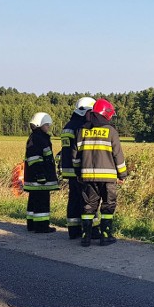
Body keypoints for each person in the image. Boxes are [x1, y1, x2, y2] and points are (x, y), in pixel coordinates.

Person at [76, 98, 127, 247]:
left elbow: (76, 155)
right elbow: (118, 155)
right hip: (108, 177)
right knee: (108, 205)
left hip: (87, 177)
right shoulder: (111, 131)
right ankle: (105, 236)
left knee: (88, 206)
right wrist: (122, 175)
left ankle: (85, 237)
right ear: (106, 114)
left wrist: (78, 173)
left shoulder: (82, 130)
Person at [60, 97, 96, 239]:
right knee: (86, 199)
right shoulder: (81, 127)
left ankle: (73, 231)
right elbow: (79, 150)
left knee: (73, 199)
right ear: (86, 112)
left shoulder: (68, 125)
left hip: (68, 170)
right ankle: (90, 230)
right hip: (78, 169)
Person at [24, 112, 59, 233]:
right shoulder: (39, 138)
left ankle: (32, 225)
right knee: (42, 202)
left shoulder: (35, 137)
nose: (48, 127)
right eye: (47, 125)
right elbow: (35, 159)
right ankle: (41, 226)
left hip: (35, 177)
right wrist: (41, 175)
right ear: (40, 125)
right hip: (39, 178)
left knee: (33, 201)